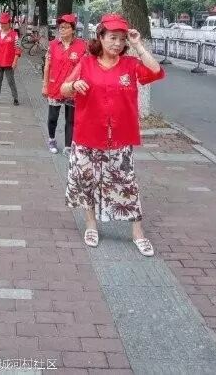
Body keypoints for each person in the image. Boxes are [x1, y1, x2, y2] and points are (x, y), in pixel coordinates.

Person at [61, 13, 165, 257]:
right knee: (87, 181)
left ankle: (138, 233)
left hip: (119, 138)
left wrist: (138, 45)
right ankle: (91, 225)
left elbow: (156, 71)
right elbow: (64, 89)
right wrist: (74, 86)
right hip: (87, 135)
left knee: (126, 183)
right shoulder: (86, 63)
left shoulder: (130, 64)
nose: (117, 43)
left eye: (122, 39)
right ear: (101, 37)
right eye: (112, 38)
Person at [42, 14, 88, 156]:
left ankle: (68, 146)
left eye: (66, 27)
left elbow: (85, 67)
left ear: (73, 29)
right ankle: (51, 139)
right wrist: (44, 85)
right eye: (61, 27)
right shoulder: (53, 45)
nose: (62, 30)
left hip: (72, 89)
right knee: (52, 117)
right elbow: (47, 66)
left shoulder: (82, 46)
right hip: (55, 86)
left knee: (71, 119)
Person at [0, 12, 21, 105]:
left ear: (9, 23)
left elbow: (18, 49)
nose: (2, 25)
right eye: (1, 23)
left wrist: (15, 61)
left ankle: (15, 98)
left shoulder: (14, 35)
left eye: (4, 23)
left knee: (11, 81)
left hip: (9, 63)